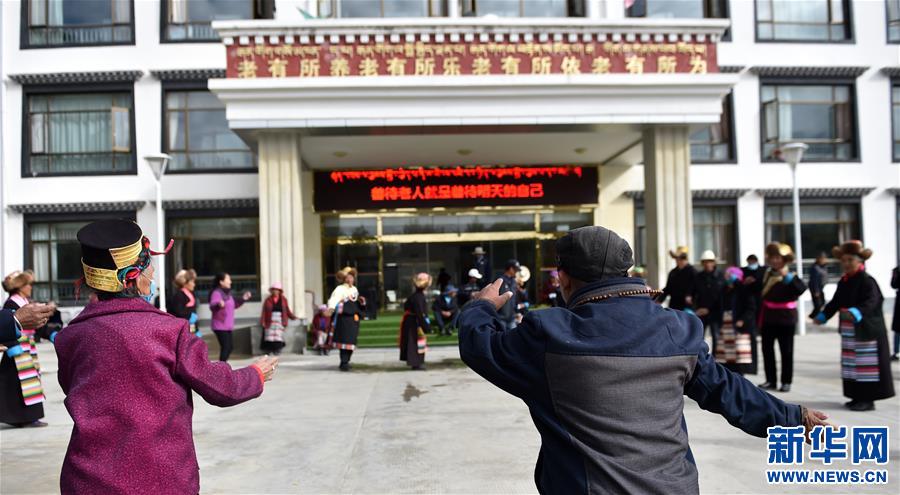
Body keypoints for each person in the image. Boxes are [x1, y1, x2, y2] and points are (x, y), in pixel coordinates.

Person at [458, 226, 830, 494]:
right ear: (628, 273)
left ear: (564, 278)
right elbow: (726, 390)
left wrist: (481, 307)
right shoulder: (679, 328)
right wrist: (790, 417)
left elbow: (481, 347)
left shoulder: (548, 333)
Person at [54, 219, 277, 494]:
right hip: (159, 478)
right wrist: (254, 374)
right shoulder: (170, 331)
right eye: (149, 264)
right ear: (134, 276)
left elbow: (74, 388)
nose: (153, 271)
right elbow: (219, 387)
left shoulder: (69, 337)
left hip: (86, 481)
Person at [813, 241, 895, 411]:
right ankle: (856, 396)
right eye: (843, 260)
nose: (846, 263)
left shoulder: (867, 280)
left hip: (867, 331)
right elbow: (836, 302)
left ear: (860, 261)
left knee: (866, 366)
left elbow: (873, 301)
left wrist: (857, 311)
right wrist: (823, 315)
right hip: (850, 330)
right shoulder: (844, 281)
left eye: (850, 260)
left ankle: (868, 399)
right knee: (852, 365)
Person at [1, 270, 51, 428]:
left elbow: (36, 324)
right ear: (20, 287)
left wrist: (51, 333)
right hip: (16, 351)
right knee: (16, 385)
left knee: (30, 382)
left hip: (27, 348)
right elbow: (6, 326)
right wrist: (12, 346)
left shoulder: (24, 301)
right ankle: (19, 417)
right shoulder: (11, 303)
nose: (30, 287)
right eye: (28, 284)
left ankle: (29, 417)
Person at [758, 242, 807, 393]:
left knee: (786, 351)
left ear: (784, 260)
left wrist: (788, 279)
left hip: (786, 319)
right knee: (767, 350)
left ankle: (786, 381)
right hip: (768, 317)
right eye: (772, 257)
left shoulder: (790, 276)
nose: (775, 260)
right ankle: (771, 380)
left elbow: (801, 290)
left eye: (778, 257)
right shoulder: (766, 274)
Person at [718, 266, 758, 375]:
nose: (727, 276)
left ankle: (740, 376)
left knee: (740, 354)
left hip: (739, 325)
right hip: (726, 325)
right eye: (726, 274)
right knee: (726, 354)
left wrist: (742, 320)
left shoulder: (743, 289)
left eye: (730, 274)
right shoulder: (723, 289)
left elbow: (751, 308)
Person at [327, 267, 366, 371]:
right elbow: (334, 299)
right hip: (344, 319)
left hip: (353, 320)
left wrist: (361, 302)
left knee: (351, 342)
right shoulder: (339, 289)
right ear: (344, 278)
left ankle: (347, 360)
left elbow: (356, 302)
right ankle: (343, 362)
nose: (350, 279)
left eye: (351, 277)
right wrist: (331, 308)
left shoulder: (354, 289)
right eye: (348, 277)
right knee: (344, 342)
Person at [209, 272, 252, 362]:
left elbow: (234, 304)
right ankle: (220, 369)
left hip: (227, 326)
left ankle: (221, 368)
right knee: (226, 347)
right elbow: (212, 305)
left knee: (229, 347)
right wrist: (218, 305)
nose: (230, 281)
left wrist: (244, 298)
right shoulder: (217, 293)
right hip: (220, 325)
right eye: (228, 279)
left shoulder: (227, 294)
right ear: (221, 282)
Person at [693, 250, 724, 354]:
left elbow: (721, 297)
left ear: (714, 262)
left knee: (717, 337)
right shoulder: (698, 277)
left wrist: (709, 309)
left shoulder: (720, 276)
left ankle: (715, 363)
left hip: (715, 313)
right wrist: (696, 308)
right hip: (701, 312)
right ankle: (700, 360)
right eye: (705, 262)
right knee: (698, 337)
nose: (708, 264)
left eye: (710, 261)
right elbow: (693, 294)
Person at [400, 273, 432, 370]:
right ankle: (416, 363)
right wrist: (426, 326)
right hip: (414, 322)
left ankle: (418, 362)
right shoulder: (418, 297)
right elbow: (420, 313)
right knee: (414, 342)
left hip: (414, 321)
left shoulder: (417, 295)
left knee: (418, 341)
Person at [260, 282, 298, 356]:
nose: (275, 291)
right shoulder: (268, 300)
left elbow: (287, 310)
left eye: (277, 290)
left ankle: (277, 349)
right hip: (270, 319)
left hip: (280, 320)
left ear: (280, 291)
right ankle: (270, 349)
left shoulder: (284, 300)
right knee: (270, 335)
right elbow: (264, 311)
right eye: (274, 290)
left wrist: (293, 316)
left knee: (278, 335)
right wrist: (263, 321)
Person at [657, 246, 696, 311]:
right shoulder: (673, 273)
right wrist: (659, 300)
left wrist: (690, 296)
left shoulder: (693, 272)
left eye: (682, 258)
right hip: (674, 307)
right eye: (677, 258)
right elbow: (668, 289)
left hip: (688, 308)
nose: (678, 260)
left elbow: (697, 288)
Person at [169, 269, 200, 337]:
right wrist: (190, 315)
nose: (194, 284)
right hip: (184, 328)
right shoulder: (179, 295)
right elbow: (178, 312)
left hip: (192, 326)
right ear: (185, 282)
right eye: (192, 282)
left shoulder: (191, 293)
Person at [497, 259, 521, 330]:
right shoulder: (500, 280)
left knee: (513, 338)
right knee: (502, 338)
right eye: (515, 270)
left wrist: (517, 311)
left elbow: (515, 299)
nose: (516, 272)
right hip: (501, 317)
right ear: (510, 269)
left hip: (512, 317)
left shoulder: (513, 281)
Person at [808, 252, 829, 318]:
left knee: (822, 302)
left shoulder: (823, 267)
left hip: (821, 288)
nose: (825, 260)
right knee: (818, 304)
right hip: (816, 288)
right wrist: (816, 291)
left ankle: (815, 315)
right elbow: (814, 280)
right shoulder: (815, 268)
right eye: (823, 258)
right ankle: (813, 316)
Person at [890, 266, 899, 361]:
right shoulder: (897, 270)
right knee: (897, 330)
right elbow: (893, 285)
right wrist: (895, 275)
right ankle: (896, 352)